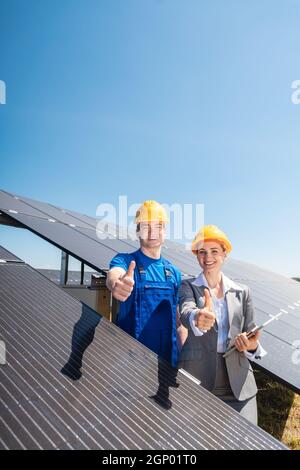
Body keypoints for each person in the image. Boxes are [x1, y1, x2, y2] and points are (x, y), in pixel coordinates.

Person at [179, 225, 266, 425]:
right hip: (198, 377)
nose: (208, 257)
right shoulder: (187, 286)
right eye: (202, 252)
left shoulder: (242, 292)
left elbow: (253, 336)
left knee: (245, 441)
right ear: (197, 255)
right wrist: (197, 318)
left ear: (224, 254)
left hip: (238, 380)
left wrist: (250, 345)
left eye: (214, 251)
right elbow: (186, 311)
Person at [106, 200, 182, 367]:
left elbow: (177, 321)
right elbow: (114, 274)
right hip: (130, 365)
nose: (152, 232)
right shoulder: (126, 260)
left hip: (167, 366)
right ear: (138, 231)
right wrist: (116, 284)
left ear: (165, 230)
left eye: (158, 226)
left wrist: (183, 359)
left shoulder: (174, 273)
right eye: (146, 227)